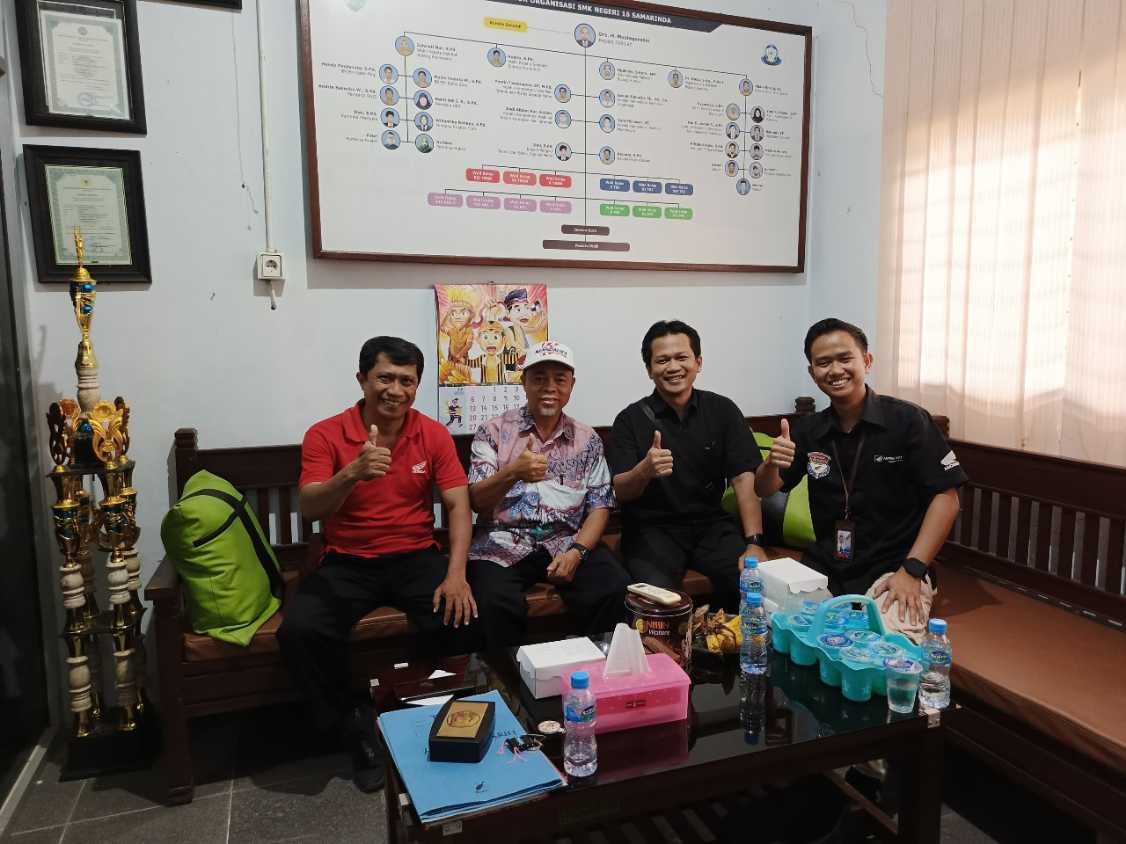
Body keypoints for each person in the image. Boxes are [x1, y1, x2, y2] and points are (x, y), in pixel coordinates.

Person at [278, 337, 478, 792]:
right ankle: (355, 723)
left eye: (407, 381)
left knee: (464, 611)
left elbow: (458, 504)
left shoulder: (432, 433)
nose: (396, 390)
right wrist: (352, 472)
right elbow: (309, 507)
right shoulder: (325, 434)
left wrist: (456, 574)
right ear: (362, 379)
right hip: (347, 560)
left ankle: (423, 708)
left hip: (415, 555)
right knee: (301, 631)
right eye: (385, 378)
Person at [755, 319, 967, 642]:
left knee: (880, 650)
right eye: (823, 363)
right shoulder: (809, 430)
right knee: (776, 631)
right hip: (825, 568)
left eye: (845, 358)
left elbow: (947, 498)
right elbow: (763, 488)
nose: (835, 370)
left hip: (893, 570)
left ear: (867, 361)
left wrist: (912, 570)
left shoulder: (907, 421)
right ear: (812, 372)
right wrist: (772, 463)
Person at [468, 341, 627, 647]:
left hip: (566, 539)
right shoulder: (492, 431)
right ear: (524, 382)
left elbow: (600, 506)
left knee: (613, 587)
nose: (549, 387)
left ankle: (592, 665)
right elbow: (476, 500)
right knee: (492, 601)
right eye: (539, 378)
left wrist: (577, 552)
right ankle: (510, 674)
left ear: (571, 385)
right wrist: (513, 472)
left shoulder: (587, 439)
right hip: (501, 543)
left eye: (559, 379)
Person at [607, 321, 766, 613]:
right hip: (651, 531)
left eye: (682, 357)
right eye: (662, 360)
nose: (673, 367)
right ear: (649, 369)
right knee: (658, 604)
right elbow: (620, 492)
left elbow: (744, 479)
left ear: (698, 362)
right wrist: (644, 471)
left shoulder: (722, 410)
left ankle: (725, 642)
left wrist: (754, 542)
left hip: (712, 526)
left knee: (752, 585)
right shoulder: (629, 420)